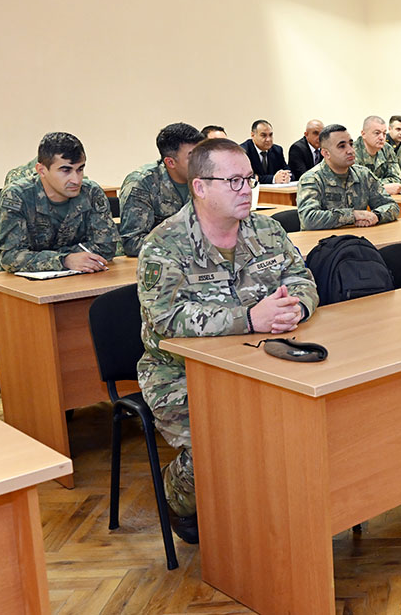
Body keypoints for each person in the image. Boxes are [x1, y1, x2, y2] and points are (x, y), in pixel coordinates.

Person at [137, 137, 319, 543]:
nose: (247, 191)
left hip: (261, 358)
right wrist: (249, 318)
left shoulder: (266, 229)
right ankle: (177, 493)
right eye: (234, 181)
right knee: (223, 441)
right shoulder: (164, 245)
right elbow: (164, 320)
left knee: (300, 422)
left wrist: (297, 308)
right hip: (179, 372)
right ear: (200, 187)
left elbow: (301, 278)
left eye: (249, 180)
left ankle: (275, 511)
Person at [0, 132, 118, 272]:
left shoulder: (91, 192)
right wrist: (65, 259)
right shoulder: (18, 196)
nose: (76, 180)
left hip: (81, 276)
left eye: (80, 169)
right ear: (41, 170)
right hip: (22, 283)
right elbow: (11, 257)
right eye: (66, 170)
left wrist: (69, 258)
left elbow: (106, 247)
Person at [119, 122, 205, 256]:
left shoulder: (208, 179)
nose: (200, 162)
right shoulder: (142, 184)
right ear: (170, 162)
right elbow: (132, 243)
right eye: (192, 157)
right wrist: (186, 245)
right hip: (161, 262)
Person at [296, 125, 400, 230]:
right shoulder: (312, 179)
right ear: (326, 153)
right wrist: (352, 215)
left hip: (359, 240)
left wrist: (377, 216)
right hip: (324, 243)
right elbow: (308, 219)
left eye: (351, 144)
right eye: (342, 146)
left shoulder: (363, 174)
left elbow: (392, 206)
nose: (350, 150)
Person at [353, 115, 401, 195]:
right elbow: (355, 185)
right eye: (377, 133)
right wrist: (382, 187)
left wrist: (376, 185)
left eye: (384, 133)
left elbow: (397, 178)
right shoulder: (352, 151)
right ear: (363, 134)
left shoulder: (387, 148)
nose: (382, 137)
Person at [240, 119, 288, 184]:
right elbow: (248, 178)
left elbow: (289, 172)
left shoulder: (277, 150)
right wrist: (273, 179)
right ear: (252, 135)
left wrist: (286, 176)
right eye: (263, 135)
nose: (268, 139)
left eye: (270, 135)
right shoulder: (243, 151)